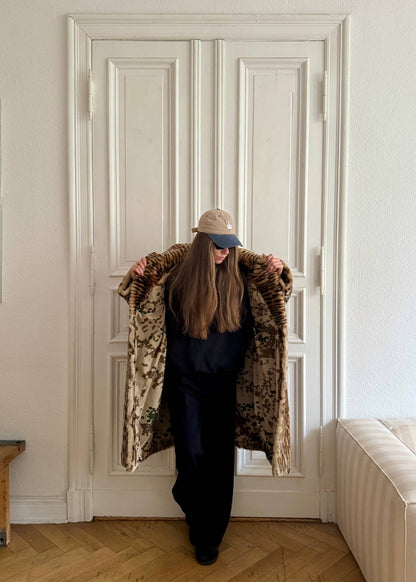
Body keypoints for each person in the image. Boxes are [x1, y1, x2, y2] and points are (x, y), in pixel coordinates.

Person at [118, 208, 292, 566]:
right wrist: (138, 276)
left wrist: (279, 272)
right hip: (185, 382)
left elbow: (276, 300)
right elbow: (143, 303)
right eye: (217, 245)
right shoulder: (177, 278)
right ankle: (190, 503)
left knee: (220, 463)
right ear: (201, 243)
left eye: (229, 245)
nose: (225, 252)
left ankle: (209, 536)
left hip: (225, 383)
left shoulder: (241, 278)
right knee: (192, 456)